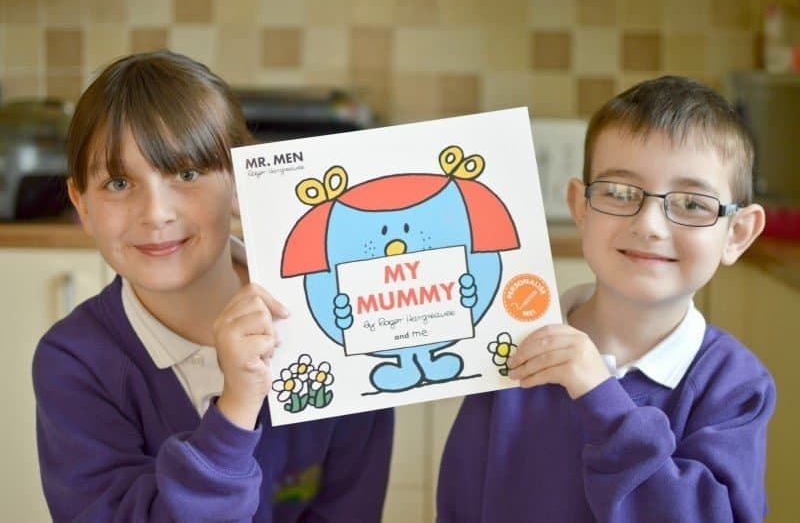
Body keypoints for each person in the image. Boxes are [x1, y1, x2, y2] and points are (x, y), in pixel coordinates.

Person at [33, 50, 393, 522]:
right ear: (81, 204)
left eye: (186, 174)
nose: (156, 213)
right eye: (119, 183)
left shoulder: (334, 323)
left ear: (243, 180)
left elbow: (349, 509)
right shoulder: (74, 364)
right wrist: (237, 409)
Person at [437, 76, 775, 522]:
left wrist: (601, 398)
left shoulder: (735, 386)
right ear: (580, 206)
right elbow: (460, 505)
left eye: (692, 204)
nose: (650, 225)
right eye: (619, 193)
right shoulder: (512, 350)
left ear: (737, 233)